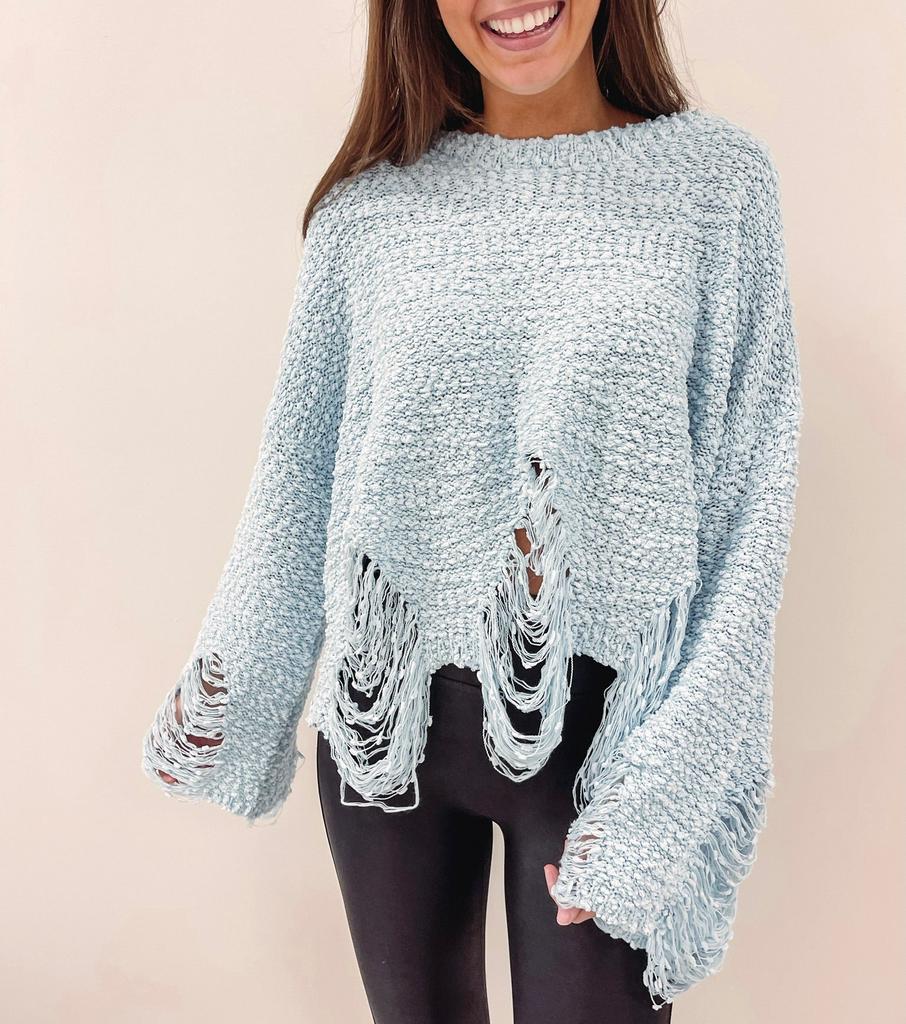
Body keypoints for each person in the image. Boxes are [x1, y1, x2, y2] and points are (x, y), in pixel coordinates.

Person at [142, 1, 803, 1021]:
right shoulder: (367, 214)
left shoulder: (715, 188)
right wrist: (228, 692)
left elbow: (748, 519)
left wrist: (661, 801)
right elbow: (299, 482)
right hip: (383, 741)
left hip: (603, 754)